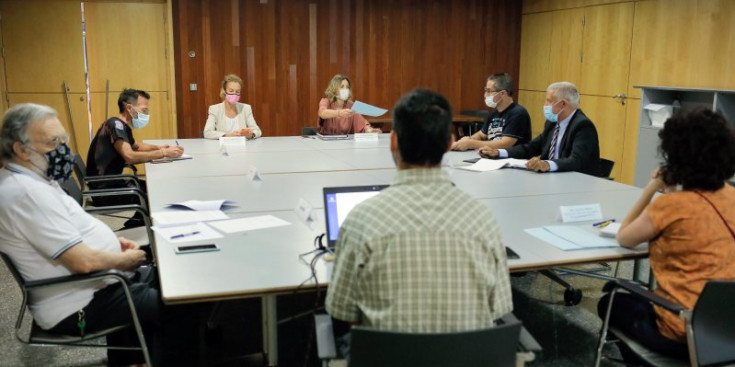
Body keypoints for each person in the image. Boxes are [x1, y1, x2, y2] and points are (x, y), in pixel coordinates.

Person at [0, 103, 199, 365]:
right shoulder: (26, 193)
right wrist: (125, 259)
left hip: (96, 283)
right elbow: (83, 262)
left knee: (181, 280)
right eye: (52, 142)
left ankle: (136, 358)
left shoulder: (35, 179)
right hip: (78, 305)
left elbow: (71, 228)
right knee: (183, 303)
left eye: (64, 140)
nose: (63, 149)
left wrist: (113, 243)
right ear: (20, 150)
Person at [325, 89, 513, 334]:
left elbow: (341, 310)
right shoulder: (483, 219)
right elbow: (499, 307)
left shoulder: (362, 219)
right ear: (449, 143)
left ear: (393, 142)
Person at [599, 108, 735, 362]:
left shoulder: (671, 206)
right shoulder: (731, 196)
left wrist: (652, 188)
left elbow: (625, 236)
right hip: (727, 328)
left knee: (611, 302)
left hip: (684, 332)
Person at [86, 88, 184, 227]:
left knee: (154, 188)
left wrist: (160, 148)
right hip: (104, 192)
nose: (147, 114)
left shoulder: (119, 125)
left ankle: (137, 226)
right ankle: (140, 229)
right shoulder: (116, 125)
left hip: (112, 184)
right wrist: (163, 154)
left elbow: (136, 146)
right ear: (129, 108)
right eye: (144, 110)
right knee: (154, 194)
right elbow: (130, 156)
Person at [478, 81, 601, 176]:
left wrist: (547, 164)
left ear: (563, 104)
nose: (545, 105)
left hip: (576, 183)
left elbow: (576, 161)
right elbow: (530, 148)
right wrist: (498, 152)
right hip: (552, 178)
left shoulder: (582, 126)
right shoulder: (552, 123)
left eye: (548, 101)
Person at [451, 72, 531, 151]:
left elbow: (505, 144)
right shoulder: (494, 113)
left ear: (502, 93)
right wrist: (468, 140)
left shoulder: (518, 113)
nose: (485, 95)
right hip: (494, 158)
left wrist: (471, 143)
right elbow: (481, 134)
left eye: (489, 91)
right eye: (485, 91)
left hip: (512, 161)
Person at [202, 73, 262, 139]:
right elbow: (207, 133)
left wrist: (251, 135)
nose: (234, 94)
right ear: (224, 91)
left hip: (243, 147)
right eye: (231, 91)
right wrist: (227, 135)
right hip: (222, 147)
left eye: (237, 92)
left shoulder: (246, 108)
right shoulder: (214, 109)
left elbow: (257, 131)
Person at [317, 74, 381, 135]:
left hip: (345, 144)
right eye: (342, 87)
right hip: (326, 143)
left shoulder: (351, 105)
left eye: (347, 87)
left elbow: (362, 123)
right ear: (334, 89)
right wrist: (339, 113)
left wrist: (369, 130)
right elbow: (322, 113)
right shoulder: (325, 101)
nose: (345, 89)